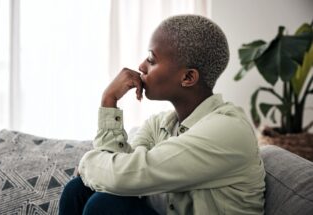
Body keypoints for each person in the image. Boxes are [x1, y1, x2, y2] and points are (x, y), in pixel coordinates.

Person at [59, 14, 265, 215]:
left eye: (151, 59)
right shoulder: (160, 124)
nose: (141, 67)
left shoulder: (227, 130)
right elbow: (116, 175)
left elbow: (124, 176)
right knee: (77, 191)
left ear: (188, 77)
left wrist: (87, 162)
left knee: (104, 206)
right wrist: (109, 101)